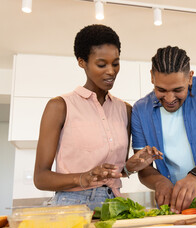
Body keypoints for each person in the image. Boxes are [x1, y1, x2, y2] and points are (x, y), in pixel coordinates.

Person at [34, 24, 162, 210]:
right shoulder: (60, 106)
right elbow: (40, 177)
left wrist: (130, 167)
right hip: (73, 206)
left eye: (115, 63)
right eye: (101, 64)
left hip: (115, 203)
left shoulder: (125, 109)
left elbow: (116, 173)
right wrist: (83, 178)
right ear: (82, 62)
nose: (111, 71)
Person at [131, 46, 196, 214]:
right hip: (176, 210)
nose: (169, 98)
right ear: (152, 76)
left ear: (190, 77)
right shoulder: (140, 110)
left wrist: (195, 176)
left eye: (177, 90)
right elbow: (143, 167)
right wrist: (160, 182)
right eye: (161, 90)